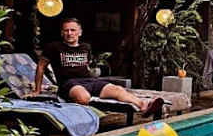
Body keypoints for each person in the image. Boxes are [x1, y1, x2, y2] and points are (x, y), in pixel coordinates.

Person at [33, 18, 162, 115]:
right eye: (66, 30)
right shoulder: (53, 47)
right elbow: (41, 67)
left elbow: (87, 66)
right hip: (69, 83)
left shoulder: (86, 47)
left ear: (80, 32)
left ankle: (143, 105)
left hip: (89, 81)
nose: (69, 33)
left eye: (73, 30)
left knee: (117, 89)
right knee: (83, 97)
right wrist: (38, 90)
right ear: (62, 33)